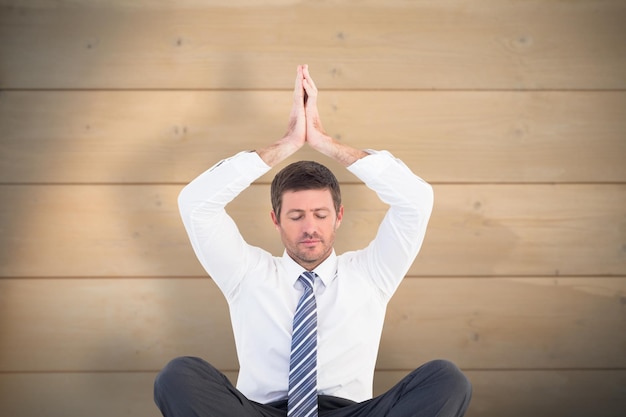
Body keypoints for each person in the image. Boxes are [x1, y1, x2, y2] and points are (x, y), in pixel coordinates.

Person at [154, 65, 472, 417]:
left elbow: (416, 200)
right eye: (296, 216)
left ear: (338, 216)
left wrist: (326, 143)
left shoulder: (371, 274)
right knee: (178, 375)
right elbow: (195, 203)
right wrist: (287, 144)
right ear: (276, 220)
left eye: (320, 215)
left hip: (350, 413)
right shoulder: (247, 273)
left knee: (447, 379)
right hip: (262, 412)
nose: (310, 228)